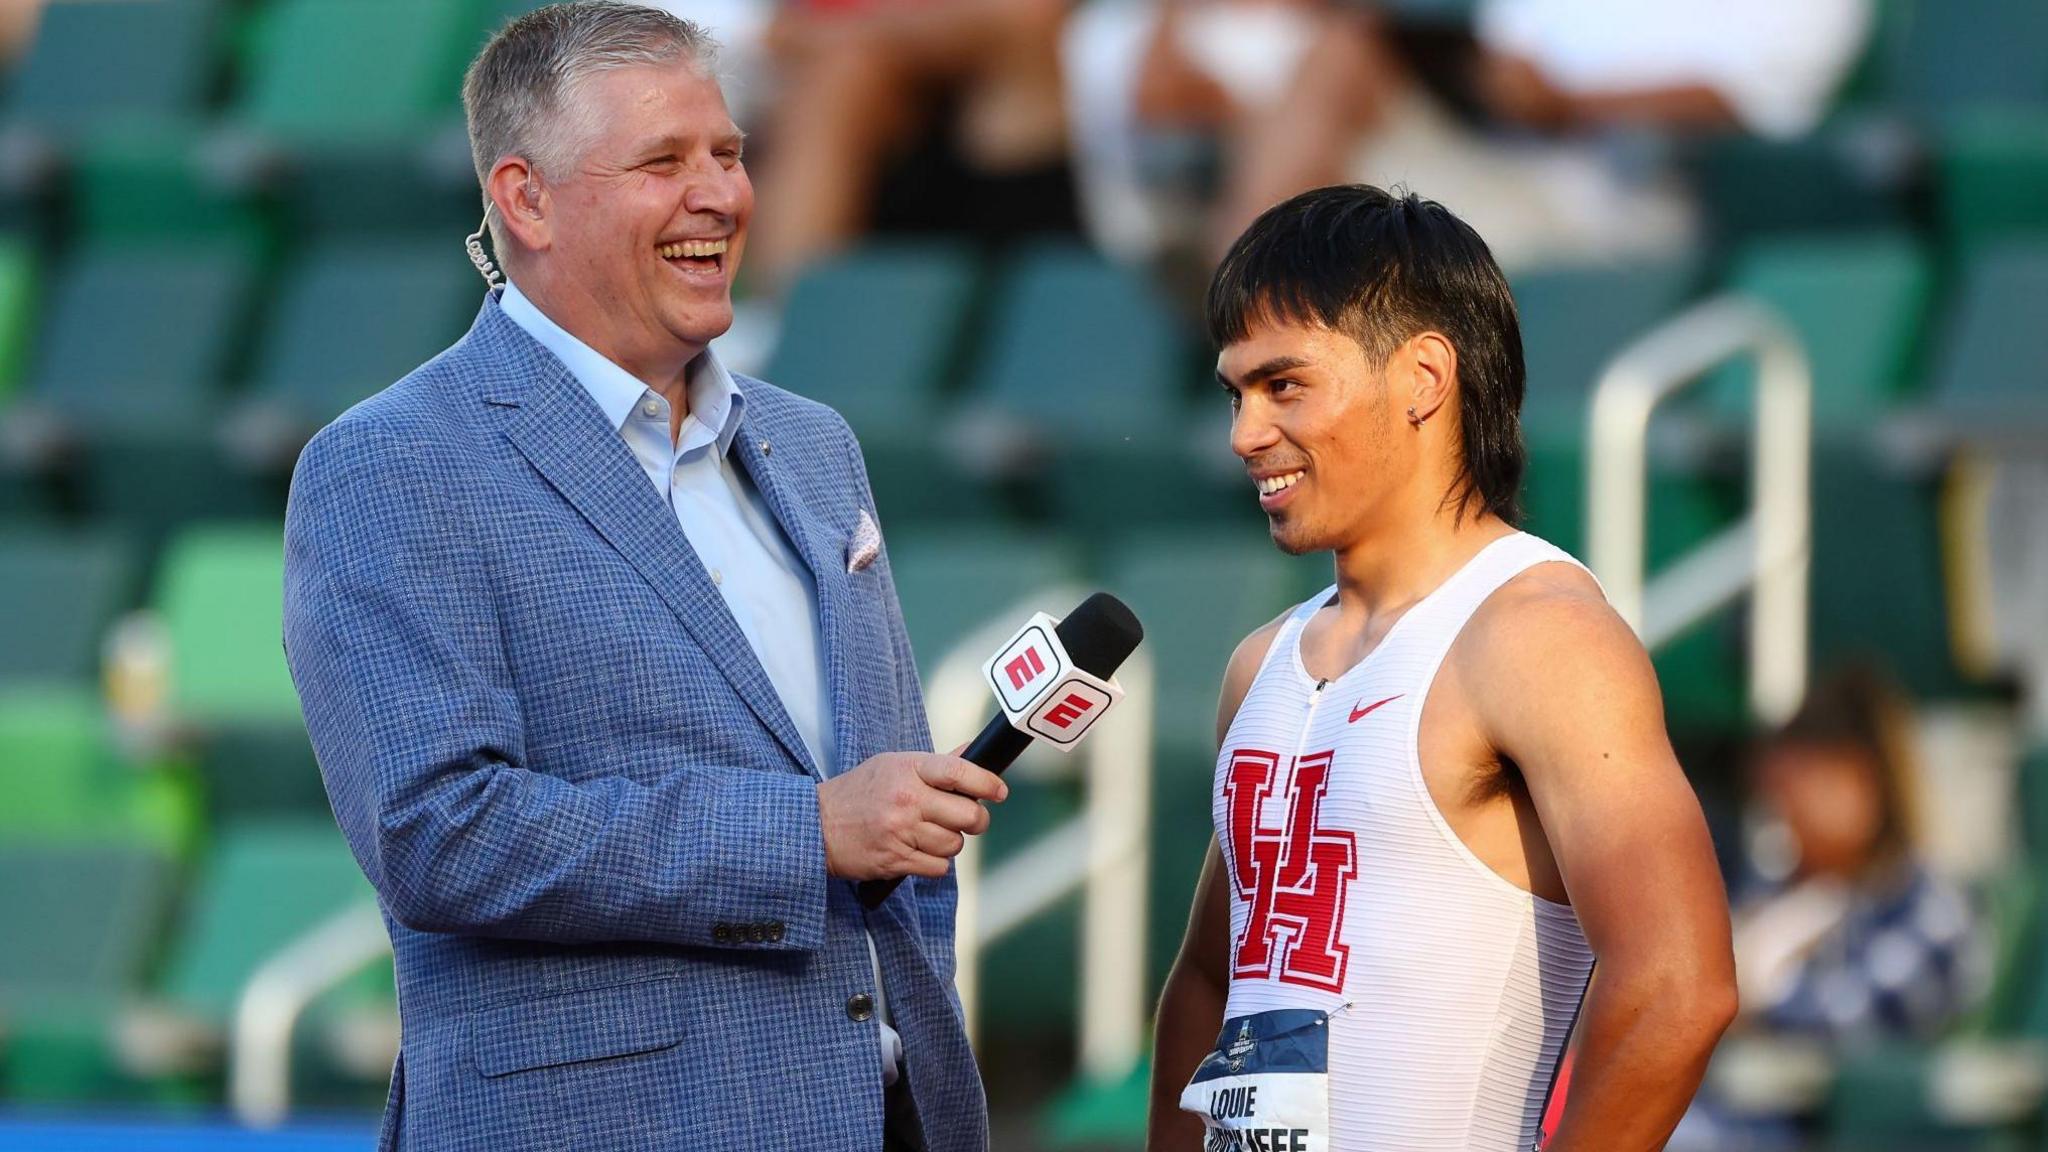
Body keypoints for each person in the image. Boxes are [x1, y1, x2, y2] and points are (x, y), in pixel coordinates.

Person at [281, 5, 998, 1150]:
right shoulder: (391, 462)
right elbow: (439, 832)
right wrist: (803, 829)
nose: (719, 194)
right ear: (525, 199)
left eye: (728, 152)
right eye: (664, 161)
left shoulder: (815, 446)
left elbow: (887, 839)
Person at [1146, 185, 1737, 1152]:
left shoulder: (1539, 635)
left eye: (1284, 385)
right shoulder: (1263, 666)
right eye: (1235, 392)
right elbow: (1211, 980)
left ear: (1423, 377)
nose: (1244, 434)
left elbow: (1681, 984)